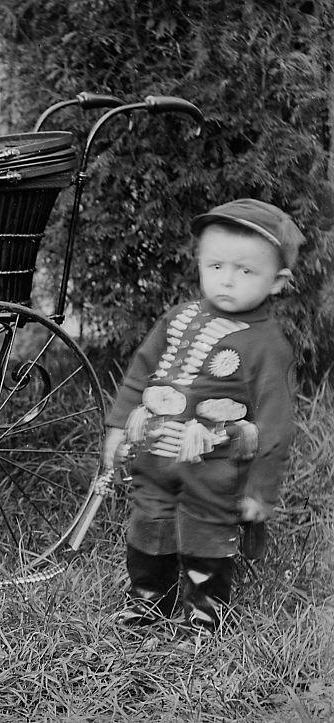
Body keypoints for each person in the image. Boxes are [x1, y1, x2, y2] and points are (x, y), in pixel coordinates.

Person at [102, 198, 304, 636]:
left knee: (205, 533)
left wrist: (259, 491)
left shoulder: (269, 347)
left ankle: (205, 615)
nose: (226, 280)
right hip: (155, 455)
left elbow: (274, 425)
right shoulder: (178, 318)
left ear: (278, 281)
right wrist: (119, 428)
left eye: (245, 270)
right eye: (215, 266)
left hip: (215, 468)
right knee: (148, 521)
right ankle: (147, 601)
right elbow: (140, 373)